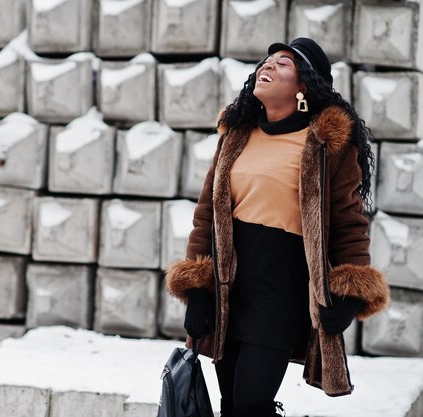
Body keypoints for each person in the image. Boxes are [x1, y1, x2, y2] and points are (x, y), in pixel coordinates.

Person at [164, 38, 391, 417]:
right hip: (229, 284)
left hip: (281, 288)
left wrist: (351, 292)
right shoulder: (236, 135)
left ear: (304, 85)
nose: (266, 67)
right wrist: (198, 290)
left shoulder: (325, 146)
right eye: (266, 61)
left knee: (252, 401)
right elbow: (206, 216)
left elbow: (349, 223)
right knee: (232, 403)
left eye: (282, 63)